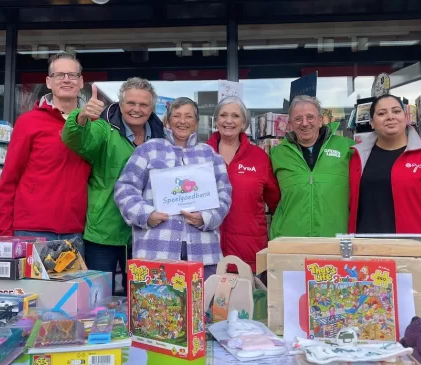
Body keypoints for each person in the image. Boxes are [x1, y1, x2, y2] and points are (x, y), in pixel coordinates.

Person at [62, 77, 164, 295]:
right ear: (120, 103)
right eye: (131, 103)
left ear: (152, 108)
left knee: (143, 299)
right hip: (104, 231)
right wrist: (81, 116)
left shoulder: (161, 137)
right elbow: (76, 140)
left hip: (144, 233)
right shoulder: (103, 128)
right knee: (98, 299)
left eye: (143, 104)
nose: (136, 109)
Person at [114, 97, 232, 279]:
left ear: (196, 122)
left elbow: (224, 194)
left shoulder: (210, 155)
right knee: (156, 305)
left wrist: (206, 218)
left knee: (202, 306)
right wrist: (146, 215)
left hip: (203, 252)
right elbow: (125, 188)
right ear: (167, 121)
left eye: (188, 116)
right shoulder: (148, 150)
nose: (182, 121)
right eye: (177, 116)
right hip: (156, 251)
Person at [0, 52, 90, 256]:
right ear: (49, 82)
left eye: (72, 75)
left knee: (71, 289)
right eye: (59, 75)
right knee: (35, 290)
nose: (66, 79)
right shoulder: (28, 122)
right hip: (31, 231)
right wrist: (4, 235)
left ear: (81, 82)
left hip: (76, 232)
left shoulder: (93, 126)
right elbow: (8, 180)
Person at [348, 94, 421, 234]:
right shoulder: (357, 156)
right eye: (382, 113)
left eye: (396, 111)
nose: (390, 117)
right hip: (366, 248)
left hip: (416, 249)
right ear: (372, 122)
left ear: (405, 117)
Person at [207, 96, 280, 272]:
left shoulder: (259, 157)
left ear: (244, 122)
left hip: (248, 250)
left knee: (249, 298)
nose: (229, 121)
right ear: (216, 120)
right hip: (208, 249)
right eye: (223, 115)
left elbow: (276, 202)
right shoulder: (201, 154)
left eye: (235, 116)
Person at [270, 95, 355, 239]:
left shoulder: (347, 148)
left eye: (310, 117)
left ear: (320, 120)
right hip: (289, 240)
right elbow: (271, 196)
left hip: (336, 239)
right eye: (298, 119)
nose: (304, 123)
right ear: (290, 124)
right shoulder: (277, 154)